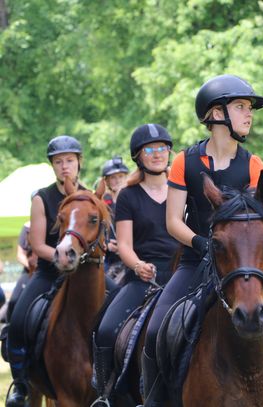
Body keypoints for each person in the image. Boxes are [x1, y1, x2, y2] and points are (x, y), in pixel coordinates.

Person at [142, 74, 263, 407]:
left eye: (249, 108)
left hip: (245, 262)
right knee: (157, 329)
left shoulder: (254, 165)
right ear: (216, 114)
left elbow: (255, 225)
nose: (248, 114)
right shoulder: (184, 163)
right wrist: (202, 245)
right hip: (198, 261)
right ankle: (155, 399)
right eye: (240, 107)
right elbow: (173, 221)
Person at [5, 135, 118, 406]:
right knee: (18, 317)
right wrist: (61, 255)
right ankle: (20, 384)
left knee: (121, 307)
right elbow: (37, 244)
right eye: (58, 161)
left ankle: (123, 377)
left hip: (86, 273)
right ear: (52, 166)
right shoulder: (42, 198)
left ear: (79, 163)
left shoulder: (92, 197)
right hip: (49, 271)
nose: (64, 166)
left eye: (69, 160)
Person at [92, 124, 178, 405]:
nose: (157, 154)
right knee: (105, 328)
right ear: (138, 156)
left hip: (182, 273)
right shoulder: (128, 196)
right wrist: (138, 265)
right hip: (144, 276)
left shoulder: (183, 188)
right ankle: (104, 395)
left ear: (169, 152)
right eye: (150, 150)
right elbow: (125, 245)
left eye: (162, 148)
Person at [101, 156, 129, 285]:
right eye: (113, 177)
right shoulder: (101, 203)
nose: (117, 180)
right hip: (110, 259)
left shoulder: (133, 199)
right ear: (106, 181)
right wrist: (106, 244)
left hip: (132, 256)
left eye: (120, 176)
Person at [6, 221, 38, 321]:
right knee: (14, 301)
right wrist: (32, 266)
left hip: (47, 270)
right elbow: (20, 255)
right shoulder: (27, 227)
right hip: (29, 271)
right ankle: (9, 329)